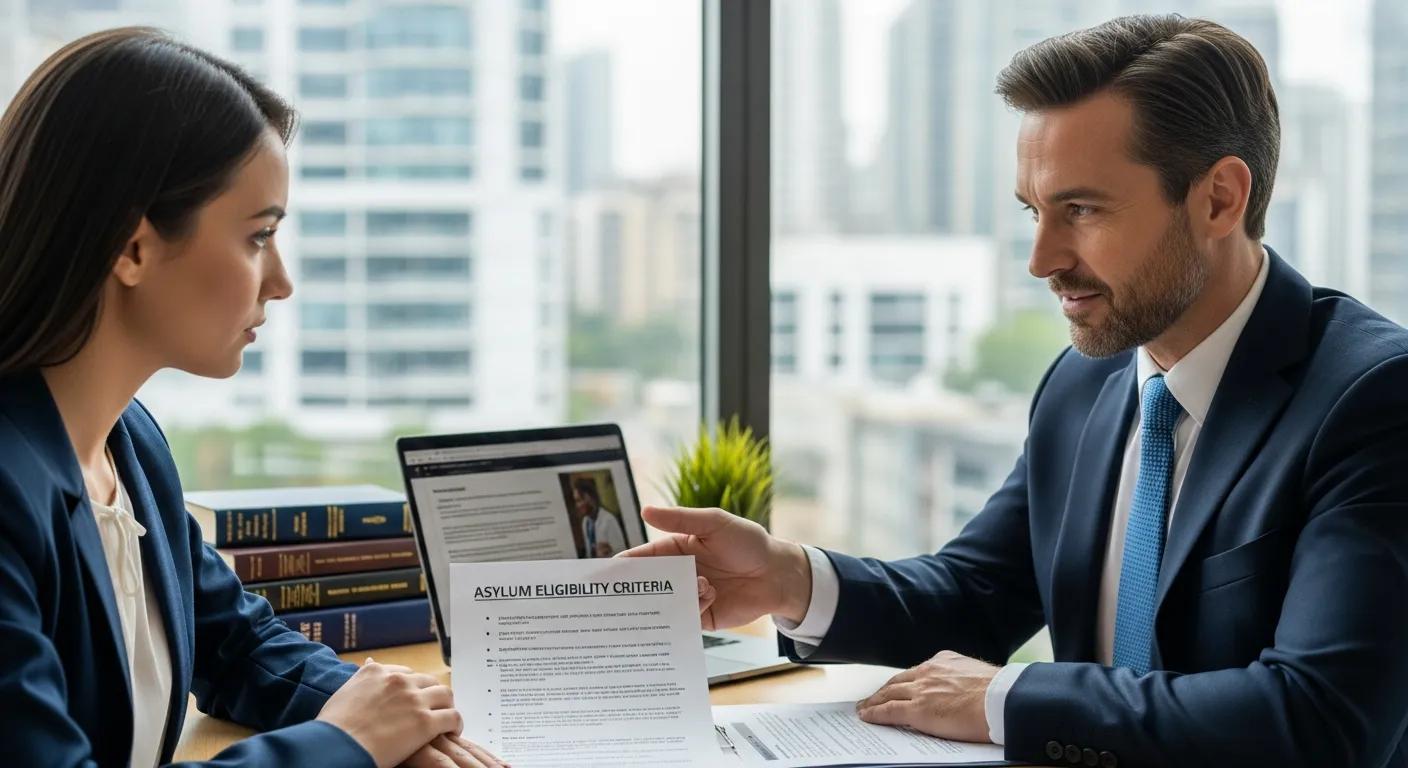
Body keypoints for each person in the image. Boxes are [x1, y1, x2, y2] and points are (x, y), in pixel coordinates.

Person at [624, 14, 1408, 768]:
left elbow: (1319, 719)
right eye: (1034, 211)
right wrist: (788, 577)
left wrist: (1011, 699)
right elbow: (975, 596)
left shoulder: (1373, 398)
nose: (1041, 259)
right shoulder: (1087, 380)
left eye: (1081, 210)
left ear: (1219, 199)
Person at [0, 28, 504, 768]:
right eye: (258, 236)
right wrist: (347, 742)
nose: (282, 281)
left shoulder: (127, 442)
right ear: (131, 247)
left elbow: (236, 643)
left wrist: (407, 723)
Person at [572, 478, 627, 558]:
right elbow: (589, 552)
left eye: (579, 500)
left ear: (591, 497)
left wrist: (609, 550)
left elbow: (622, 553)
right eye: (576, 501)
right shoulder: (585, 522)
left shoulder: (609, 520)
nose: (577, 505)